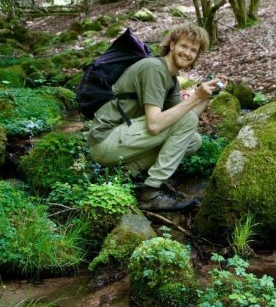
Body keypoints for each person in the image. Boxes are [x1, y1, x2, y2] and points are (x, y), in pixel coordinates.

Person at [89, 23, 226, 211]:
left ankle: (126, 173)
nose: (187, 53)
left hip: (121, 142)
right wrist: (194, 97)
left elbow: (184, 119)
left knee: (193, 140)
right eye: (184, 46)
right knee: (184, 125)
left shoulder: (171, 79)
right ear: (172, 45)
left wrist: (205, 97)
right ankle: (151, 192)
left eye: (194, 50)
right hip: (105, 140)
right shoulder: (154, 69)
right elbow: (154, 125)